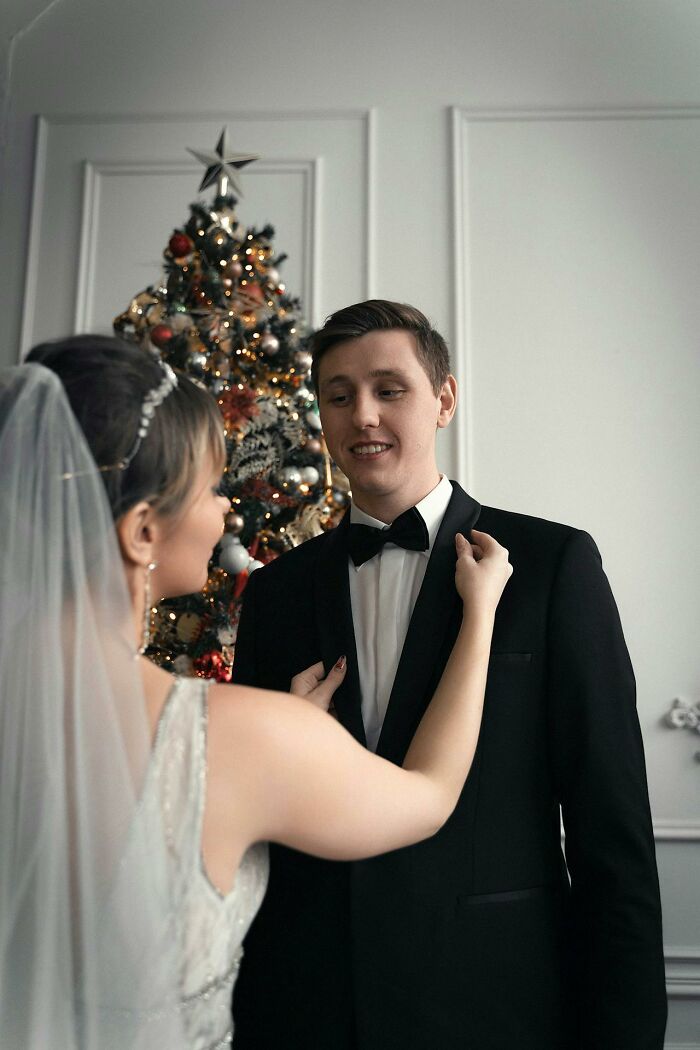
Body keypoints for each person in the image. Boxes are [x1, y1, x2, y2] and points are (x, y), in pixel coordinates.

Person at [0, 335, 511, 1050]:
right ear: (143, 530)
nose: (225, 515)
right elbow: (427, 796)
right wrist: (481, 617)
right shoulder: (234, 735)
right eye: (210, 489)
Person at [231, 300, 668, 1050]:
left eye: (389, 388)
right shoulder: (274, 594)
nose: (362, 414)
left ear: (444, 400)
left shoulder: (553, 565)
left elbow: (610, 821)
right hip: (313, 1006)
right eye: (339, 396)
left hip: (495, 1002)